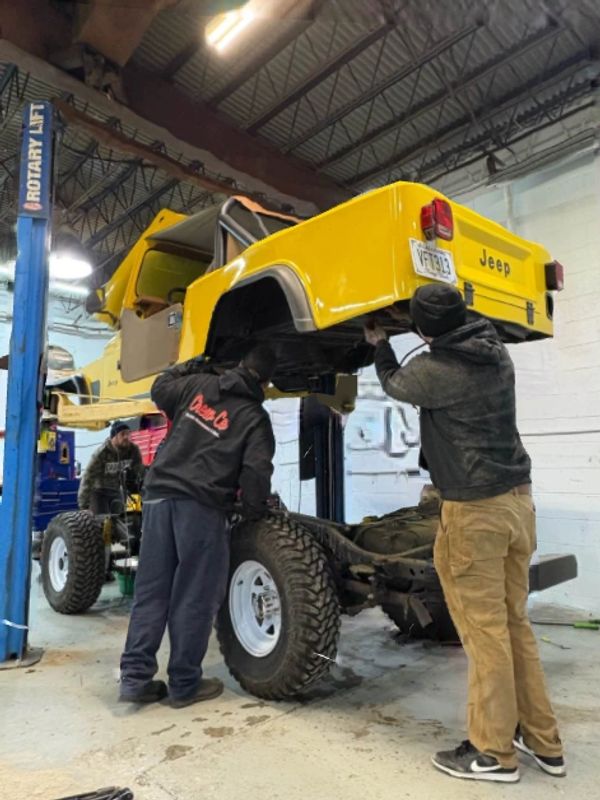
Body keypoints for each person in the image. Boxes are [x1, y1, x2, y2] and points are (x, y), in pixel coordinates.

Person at [364, 284, 564, 784]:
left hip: (476, 512)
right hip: (519, 503)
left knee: (485, 635)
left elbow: (394, 383)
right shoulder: (494, 352)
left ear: (425, 329)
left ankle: (493, 754)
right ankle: (543, 741)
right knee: (514, 626)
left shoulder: (439, 371)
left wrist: (377, 343)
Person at [119, 345, 276, 708]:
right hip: (201, 507)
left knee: (152, 591)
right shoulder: (254, 417)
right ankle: (185, 684)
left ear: (239, 363)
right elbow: (256, 471)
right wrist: (253, 511)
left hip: (158, 498)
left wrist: (194, 364)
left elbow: (159, 388)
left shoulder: (199, 385)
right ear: (267, 383)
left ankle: (135, 680)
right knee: (194, 596)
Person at [78, 421, 144, 515]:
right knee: (102, 522)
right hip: (99, 492)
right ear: (114, 436)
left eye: (128, 434)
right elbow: (88, 478)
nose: (126, 437)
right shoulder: (101, 453)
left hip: (117, 490)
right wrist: (83, 506)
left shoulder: (133, 450)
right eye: (122, 434)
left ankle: (134, 523)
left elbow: (139, 473)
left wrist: (137, 505)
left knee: (123, 520)